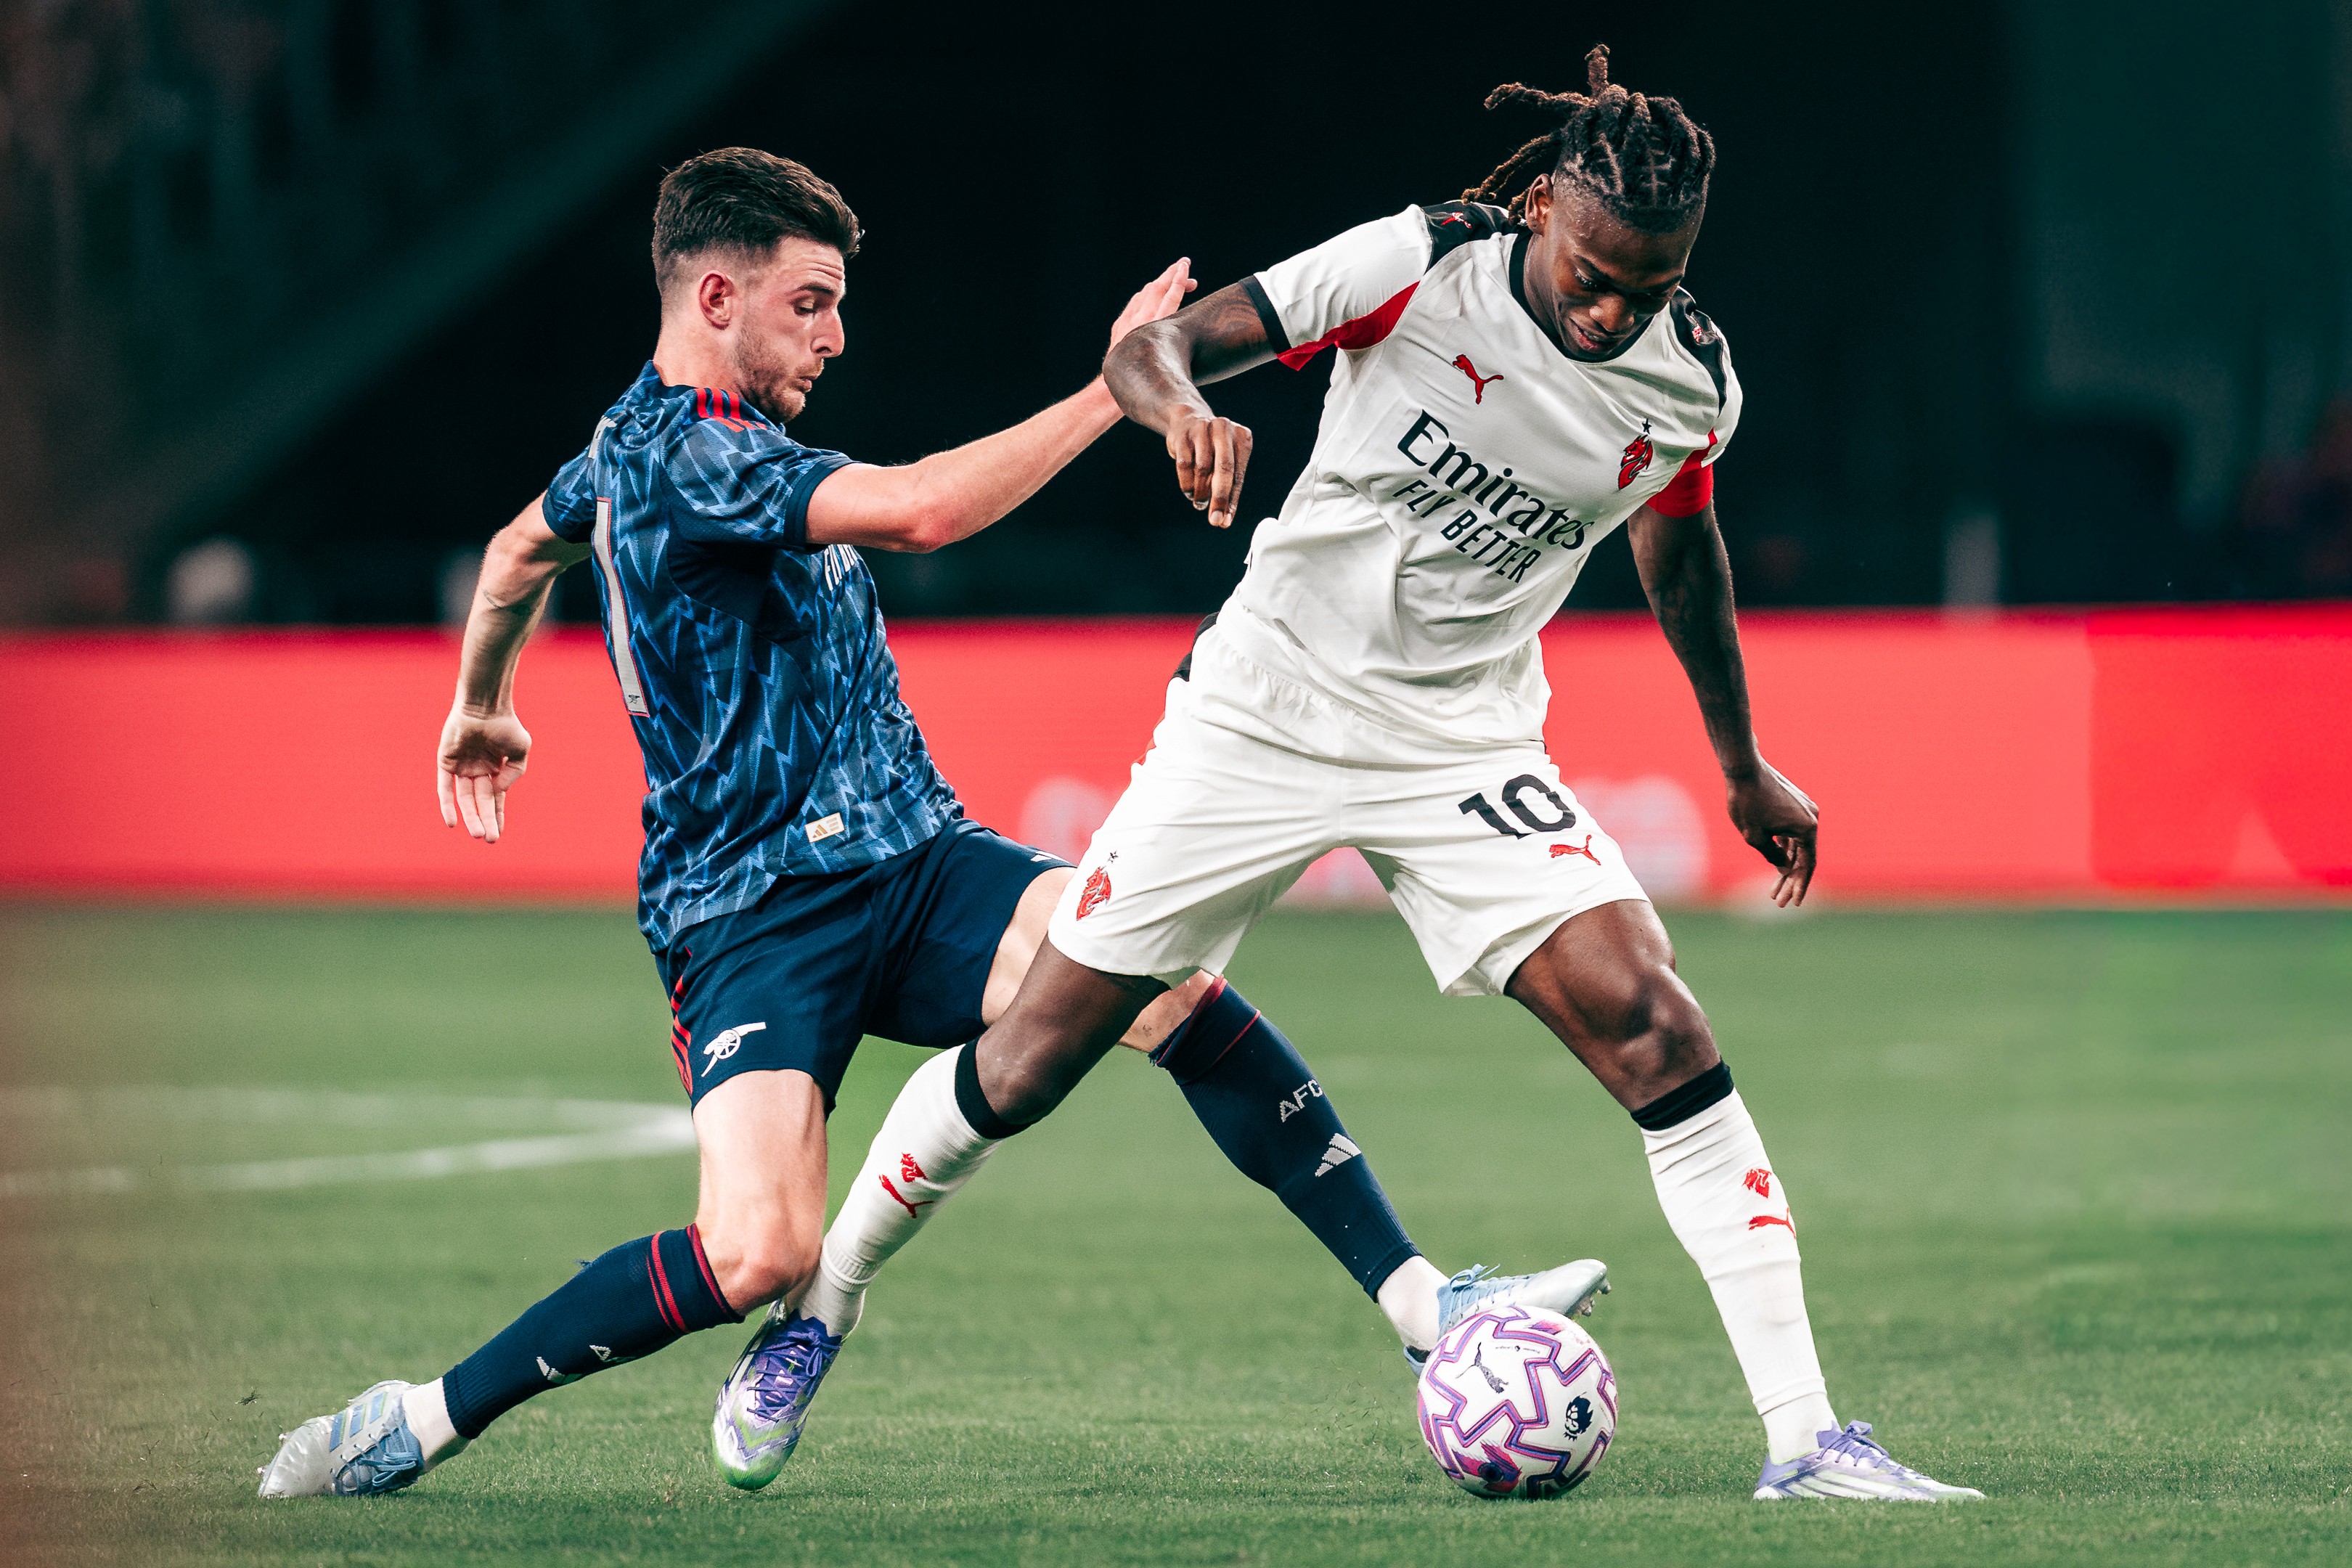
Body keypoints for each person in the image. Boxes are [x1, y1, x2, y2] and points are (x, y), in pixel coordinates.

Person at [257, 147, 1601, 1501]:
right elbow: (923, 511)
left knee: (1165, 982)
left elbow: (515, 552)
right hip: (749, 916)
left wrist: (482, 699)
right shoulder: (681, 455)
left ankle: (1425, 1300)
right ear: (716, 295)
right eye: (812, 304)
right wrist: (1118, 380)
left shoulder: (627, 451)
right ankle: (423, 1418)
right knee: (752, 1254)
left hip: (916, 861)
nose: (838, 337)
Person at [820, 51, 1982, 1502]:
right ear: (1549, 203)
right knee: (1040, 1049)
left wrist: (1740, 763)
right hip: (1265, 708)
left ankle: (1808, 1440)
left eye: (1652, 281)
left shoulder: (1692, 384)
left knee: (1661, 1026)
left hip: (1461, 741)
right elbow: (1155, 346)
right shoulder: (1417, 265)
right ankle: (826, 1301)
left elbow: (1677, 542)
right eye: (1598, 269)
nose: (1614, 306)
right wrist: (1178, 401)